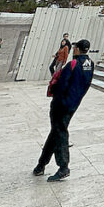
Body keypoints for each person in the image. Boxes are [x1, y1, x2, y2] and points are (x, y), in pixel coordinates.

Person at [34, 39, 94, 181]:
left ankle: (63, 167)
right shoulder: (90, 64)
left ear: (77, 49)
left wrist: (57, 101)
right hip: (74, 103)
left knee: (60, 133)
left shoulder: (72, 64)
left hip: (61, 105)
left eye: (75, 47)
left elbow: (61, 86)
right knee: (56, 132)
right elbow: (87, 84)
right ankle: (41, 165)